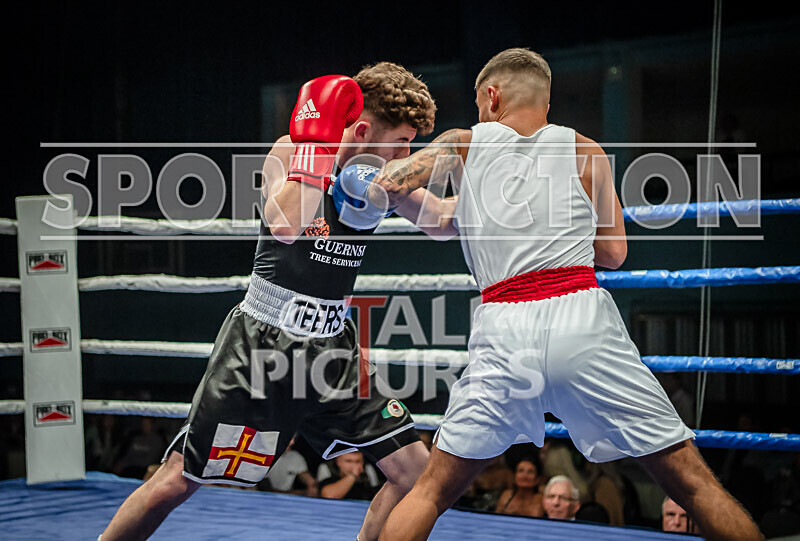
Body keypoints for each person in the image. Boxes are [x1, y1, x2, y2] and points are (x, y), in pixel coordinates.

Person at [366, 48, 762, 540]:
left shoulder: (466, 142)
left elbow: (388, 183)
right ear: (545, 101)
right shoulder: (587, 151)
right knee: (694, 484)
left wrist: (365, 180)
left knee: (431, 491)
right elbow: (614, 252)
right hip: (581, 318)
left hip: (505, 329)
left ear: (491, 96)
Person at [99, 62, 437, 541]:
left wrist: (474, 158)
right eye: (402, 141)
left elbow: (444, 220)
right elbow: (285, 224)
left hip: (333, 351)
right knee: (178, 479)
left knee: (417, 473)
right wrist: (319, 152)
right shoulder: (291, 150)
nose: (408, 153)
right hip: (262, 345)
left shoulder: (384, 180)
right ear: (362, 129)